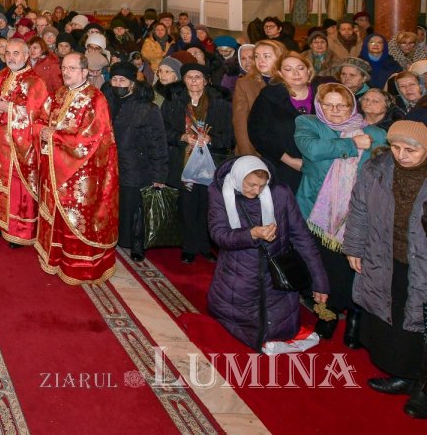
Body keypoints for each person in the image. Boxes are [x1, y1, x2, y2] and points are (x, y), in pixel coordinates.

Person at [344, 120, 427, 415]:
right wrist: (354, 246)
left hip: (423, 262)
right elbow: (359, 209)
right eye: (396, 147)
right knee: (396, 317)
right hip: (387, 255)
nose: (402, 155)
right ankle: (405, 374)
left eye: (411, 150)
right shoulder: (376, 169)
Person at [294, 83, 387, 343]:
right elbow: (312, 150)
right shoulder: (308, 123)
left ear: (352, 105)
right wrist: (352, 143)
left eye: (342, 105)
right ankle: (328, 314)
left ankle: (355, 317)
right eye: (329, 105)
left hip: (358, 213)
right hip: (317, 212)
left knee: (354, 268)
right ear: (319, 105)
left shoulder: (376, 133)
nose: (335, 110)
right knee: (323, 266)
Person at [207, 155, 329, 351]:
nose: (256, 191)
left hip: (277, 278)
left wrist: (320, 282)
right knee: (237, 331)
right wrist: (252, 234)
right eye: (251, 185)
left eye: (262, 186)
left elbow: (302, 238)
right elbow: (219, 235)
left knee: (281, 330)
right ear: (238, 178)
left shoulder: (280, 194)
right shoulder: (219, 193)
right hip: (238, 278)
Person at [35, 52, 119, 283]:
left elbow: (91, 140)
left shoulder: (96, 99)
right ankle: (54, 258)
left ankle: (79, 266)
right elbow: (44, 117)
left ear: (84, 72)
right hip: (56, 166)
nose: (66, 72)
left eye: (71, 68)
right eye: (64, 68)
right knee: (55, 214)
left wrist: (55, 137)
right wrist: (42, 130)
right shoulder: (60, 93)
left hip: (82, 173)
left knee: (76, 219)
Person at [0, 37, 51, 245]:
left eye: (16, 53)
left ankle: (19, 231)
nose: (10, 57)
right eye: (7, 53)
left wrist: (8, 108)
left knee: (18, 187)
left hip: (18, 146)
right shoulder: (3, 74)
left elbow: (37, 115)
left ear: (26, 56)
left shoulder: (35, 81)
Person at [162, 62, 234, 264]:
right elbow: (162, 129)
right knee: (187, 205)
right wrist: (183, 137)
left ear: (206, 80)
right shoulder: (173, 101)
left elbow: (230, 136)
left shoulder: (220, 103)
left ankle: (205, 245)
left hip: (210, 162)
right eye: (189, 77)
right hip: (183, 161)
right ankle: (189, 247)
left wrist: (211, 139)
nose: (194, 81)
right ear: (183, 80)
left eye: (198, 77)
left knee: (207, 205)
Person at [105, 62, 168, 261]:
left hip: (137, 166)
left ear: (132, 83)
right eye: (114, 80)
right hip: (111, 165)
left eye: (122, 80)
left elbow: (158, 143)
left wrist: (159, 174)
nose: (117, 84)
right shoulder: (107, 102)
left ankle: (136, 244)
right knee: (115, 206)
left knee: (135, 208)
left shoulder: (147, 108)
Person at [249, 51, 314, 191]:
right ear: (280, 73)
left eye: (300, 68)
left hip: (319, 167)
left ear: (308, 71)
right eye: (288, 69)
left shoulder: (322, 95)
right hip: (282, 167)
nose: (296, 73)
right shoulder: (269, 96)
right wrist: (289, 160)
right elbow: (258, 134)